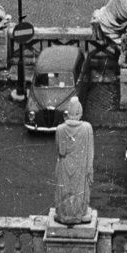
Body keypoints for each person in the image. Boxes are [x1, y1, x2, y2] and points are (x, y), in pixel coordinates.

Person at [54, 96, 94, 226]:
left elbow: (61, 151)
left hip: (65, 166)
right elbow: (90, 152)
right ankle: (78, 212)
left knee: (65, 191)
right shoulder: (87, 128)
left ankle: (64, 213)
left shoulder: (60, 129)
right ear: (80, 112)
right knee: (79, 192)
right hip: (81, 166)